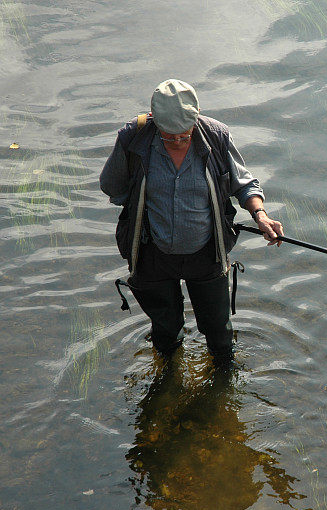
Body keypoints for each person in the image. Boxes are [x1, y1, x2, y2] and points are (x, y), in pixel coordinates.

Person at [100, 79, 283, 365]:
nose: (176, 141)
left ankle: (222, 382)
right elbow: (112, 186)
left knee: (219, 335)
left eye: (183, 136)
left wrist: (260, 215)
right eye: (168, 136)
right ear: (154, 121)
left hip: (206, 253)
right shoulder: (133, 137)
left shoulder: (217, 137)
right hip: (153, 255)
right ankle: (167, 374)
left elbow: (244, 185)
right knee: (165, 333)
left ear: (196, 120)